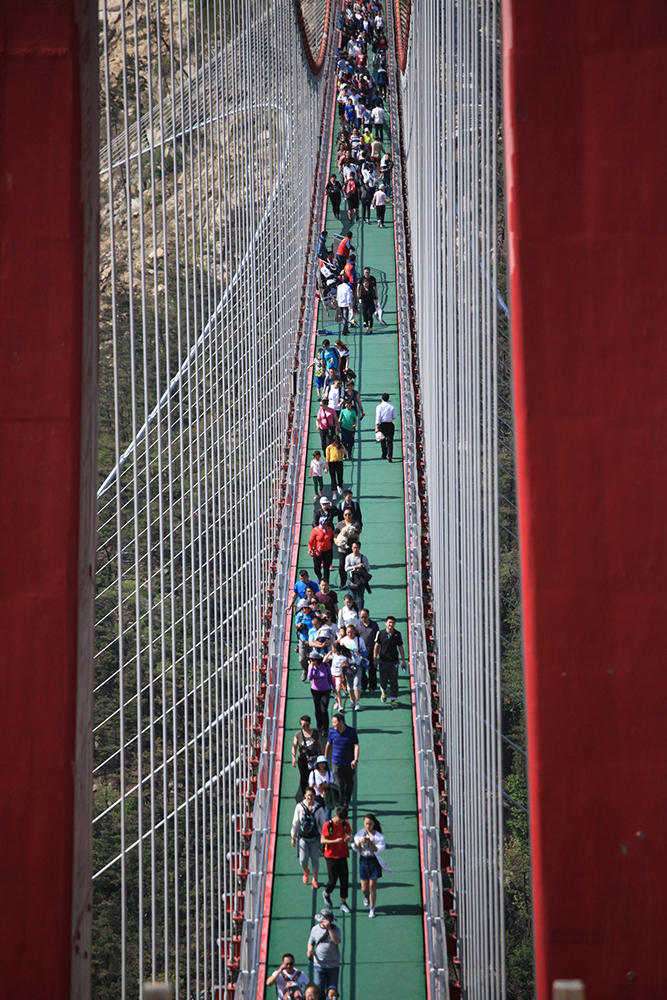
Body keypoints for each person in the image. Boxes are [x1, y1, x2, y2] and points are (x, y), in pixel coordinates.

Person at [291, 786, 326, 888]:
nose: (310, 797)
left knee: (315, 860)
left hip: (315, 838)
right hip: (303, 838)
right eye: (308, 795)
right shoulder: (299, 807)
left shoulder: (318, 808)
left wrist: (323, 837)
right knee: (303, 860)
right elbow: (296, 822)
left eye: (312, 795)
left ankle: (315, 879)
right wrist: (293, 836)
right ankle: (306, 871)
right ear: (305, 796)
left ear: (315, 796)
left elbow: (322, 823)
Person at [354, 813, 387, 918]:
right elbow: (354, 848)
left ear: (373, 824)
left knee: (373, 886)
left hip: (373, 861)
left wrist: (371, 843)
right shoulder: (360, 834)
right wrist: (359, 843)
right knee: (364, 887)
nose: (368, 826)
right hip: (363, 860)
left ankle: (372, 908)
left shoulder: (378, 836)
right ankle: (366, 896)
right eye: (366, 824)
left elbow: (380, 850)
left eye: (370, 824)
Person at [320, 806, 352, 914]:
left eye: (342, 820)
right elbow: (323, 840)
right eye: (339, 819)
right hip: (331, 855)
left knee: (344, 878)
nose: (340, 822)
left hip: (342, 854)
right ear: (335, 815)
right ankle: (326, 893)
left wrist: (349, 838)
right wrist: (335, 841)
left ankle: (343, 902)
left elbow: (349, 835)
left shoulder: (345, 823)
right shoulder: (328, 825)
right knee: (333, 880)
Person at [325, 713, 359, 807]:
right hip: (336, 763)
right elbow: (328, 745)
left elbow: (356, 746)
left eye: (335, 722)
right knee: (339, 784)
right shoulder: (332, 732)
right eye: (332, 722)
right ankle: (342, 803)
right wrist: (325, 758)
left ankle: (346, 801)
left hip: (348, 763)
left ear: (341, 722)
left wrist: (355, 760)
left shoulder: (351, 732)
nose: (333, 724)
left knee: (349, 783)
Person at [373, 615, 407, 706]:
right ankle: (383, 691)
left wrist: (403, 660)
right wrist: (375, 658)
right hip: (383, 661)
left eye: (393, 623)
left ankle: (393, 699)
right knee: (383, 680)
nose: (391, 624)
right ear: (386, 623)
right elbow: (376, 646)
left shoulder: (397, 634)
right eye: (389, 622)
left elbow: (400, 647)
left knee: (394, 680)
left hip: (394, 661)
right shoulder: (380, 633)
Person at [307, 907, 341, 995]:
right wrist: (310, 950)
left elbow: (337, 941)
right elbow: (311, 942)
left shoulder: (335, 929)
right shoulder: (315, 929)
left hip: (333, 965)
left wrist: (329, 929)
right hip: (319, 965)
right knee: (318, 991)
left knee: (332, 992)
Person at [292, 715, 324, 798]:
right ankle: (305, 795)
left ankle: (315, 793)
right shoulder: (298, 734)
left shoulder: (315, 734)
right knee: (304, 777)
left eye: (307, 725)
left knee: (314, 776)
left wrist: (322, 756)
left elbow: (320, 745)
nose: (305, 727)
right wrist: (293, 758)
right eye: (303, 725)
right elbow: (294, 746)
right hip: (303, 759)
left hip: (313, 759)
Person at [345, 539, 371, 609]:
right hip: (352, 581)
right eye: (354, 547)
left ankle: (360, 612)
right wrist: (355, 567)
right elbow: (346, 568)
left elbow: (368, 568)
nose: (355, 549)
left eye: (357, 547)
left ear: (359, 548)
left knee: (360, 598)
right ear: (351, 548)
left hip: (361, 581)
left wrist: (362, 568)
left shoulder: (363, 557)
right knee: (351, 598)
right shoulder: (348, 557)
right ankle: (352, 611)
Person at [357, 607, 379, 690]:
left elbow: (377, 640)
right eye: (362, 617)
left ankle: (372, 687)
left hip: (372, 651)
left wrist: (376, 654)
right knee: (362, 671)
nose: (363, 619)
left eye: (365, 617)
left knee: (372, 670)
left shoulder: (374, 625)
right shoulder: (357, 625)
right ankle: (363, 686)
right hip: (362, 653)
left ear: (368, 616)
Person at [308, 517, 334, 583]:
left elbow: (331, 539)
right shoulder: (315, 530)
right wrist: (310, 549)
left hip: (327, 551)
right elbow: (311, 541)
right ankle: (319, 576)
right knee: (316, 567)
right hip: (318, 551)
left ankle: (326, 581)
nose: (326, 524)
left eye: (326, 523)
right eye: (324, 523)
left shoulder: (330, 530)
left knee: (326, 567)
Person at [375, 392, 397, 461]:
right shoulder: (391, 407)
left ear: (382, 399)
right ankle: (389, 455)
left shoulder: (379, 407)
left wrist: (377, 427)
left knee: (382, 440)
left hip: (382, 425)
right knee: (390, 441)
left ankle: (384, 454)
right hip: (390, 424)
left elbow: (378, 417)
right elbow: (394, 417)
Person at [324, 434, 347, 500]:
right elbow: (327, 459)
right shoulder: (329, 448)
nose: (336, 444)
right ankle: (334, 493)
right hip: (332, 463)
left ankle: (339, 486)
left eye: (337, 442)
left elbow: (345, 453)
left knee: (340, 477)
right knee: (333, 478)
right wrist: (326, 467)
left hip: (339, 462)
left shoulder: (341, 446)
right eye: (335, 442)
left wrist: (342, 449)